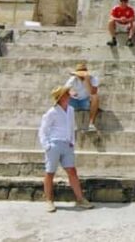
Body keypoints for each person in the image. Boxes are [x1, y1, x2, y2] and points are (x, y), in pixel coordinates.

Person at [38, 85, 94, 213]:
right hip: (54, 144)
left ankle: (80, 199)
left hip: (67, 144)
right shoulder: (52, 112)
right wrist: (47, 146)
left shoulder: (70, 110)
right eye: (67, 94)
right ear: (62, 97)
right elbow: (43, 130)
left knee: (72, 171)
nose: (69, 95)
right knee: (50, 172)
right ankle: (48, 200)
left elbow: (71, 126)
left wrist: (72, 142)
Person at [64, 63, 100, 131]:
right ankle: (65, 123)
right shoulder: (73, 79)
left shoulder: (93, 79)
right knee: (62, 96)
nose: (81, 76)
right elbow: (64, 90)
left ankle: (91, 123)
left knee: (95, 97)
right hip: (74, 101)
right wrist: (71, 92)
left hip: (86, 102)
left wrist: (87, 81)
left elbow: (93, 92)